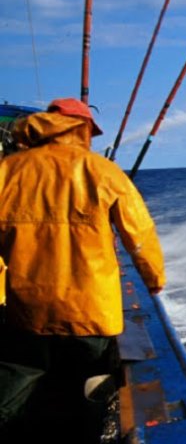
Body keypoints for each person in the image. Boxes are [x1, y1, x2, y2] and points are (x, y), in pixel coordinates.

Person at [0, 98, 166, 441]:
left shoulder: (7, 171)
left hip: (27, 310)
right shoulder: (103, 171)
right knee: (88, 388)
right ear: (83, 129)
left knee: (16, 383)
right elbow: (140, 236)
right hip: (91, 311)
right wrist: (154, 279)